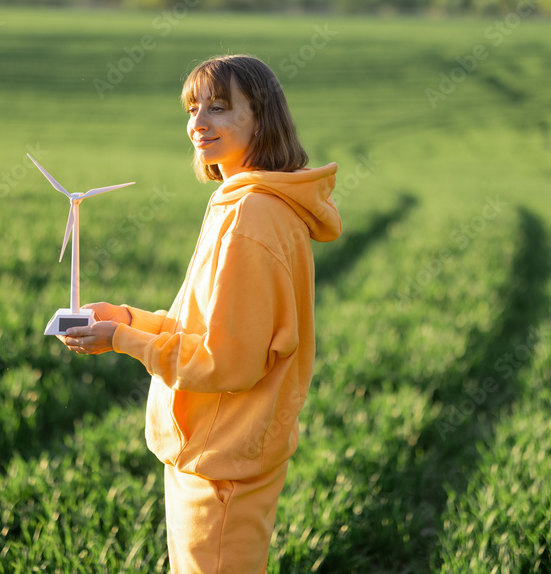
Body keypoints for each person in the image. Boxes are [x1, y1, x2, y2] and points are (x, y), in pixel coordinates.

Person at [59, 54, 342, 573]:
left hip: (222, 463)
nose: (198, 124)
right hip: (220, 452)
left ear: (261, 117)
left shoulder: (252, 216)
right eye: (192, 109)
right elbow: (206, 328)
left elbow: (226, 361)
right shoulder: (244, 204)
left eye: (218, 108)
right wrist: (125, 317)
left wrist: (122, 341)